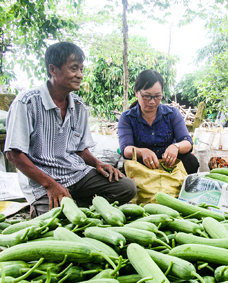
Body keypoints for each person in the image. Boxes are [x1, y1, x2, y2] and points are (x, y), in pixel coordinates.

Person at [4, 42, 137, 217]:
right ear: (53, 69)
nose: (80, 75)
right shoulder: (27, 103)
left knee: (127, 187)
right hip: (42, 182)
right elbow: (13, 154)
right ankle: (59, 206)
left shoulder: (79, 106)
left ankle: (75, 205)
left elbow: (80, 148)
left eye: (82, 69)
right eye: (74, 68)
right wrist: (51, 185)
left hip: (75, 174)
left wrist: (98, 163)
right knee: (60, 223)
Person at [118, 69, 199, 174]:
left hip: (169, 164)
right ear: (136, 93)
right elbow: (126, 149)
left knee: (191, 161)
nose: (152, 101)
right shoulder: (127, 117)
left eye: (157, 96)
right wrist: (142, 152)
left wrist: (176, 147)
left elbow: (187, 142)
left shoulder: (172, 114)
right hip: (142, 165)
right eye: (147, 96)